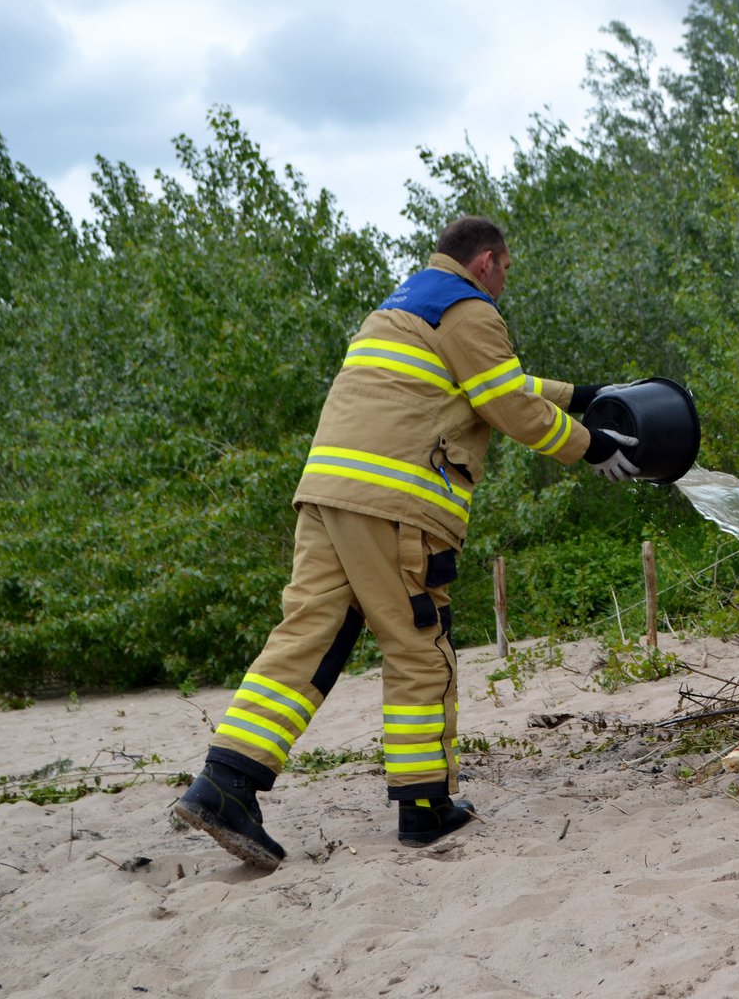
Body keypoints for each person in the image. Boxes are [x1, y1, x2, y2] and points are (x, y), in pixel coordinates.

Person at [174, 216, 640, 869]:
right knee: (420, 647)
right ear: (486, 261)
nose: (506, 281)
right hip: (396, 505)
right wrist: (591, 448)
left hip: (331, 493)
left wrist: (586, 396)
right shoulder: (472, 309)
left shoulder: (405, 304)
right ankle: (425, 808)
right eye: (507, 268)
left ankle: (224, 782)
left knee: (305, 637)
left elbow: (492, 384)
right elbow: (504, 400)